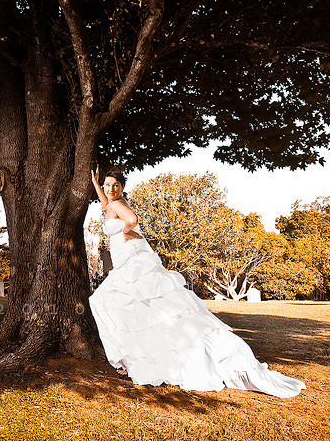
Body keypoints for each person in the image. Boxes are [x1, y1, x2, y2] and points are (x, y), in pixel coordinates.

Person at [88, 167, 305, 398]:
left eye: (115, 185)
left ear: (122, 187)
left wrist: (126, 231)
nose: (110, 189)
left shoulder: (119, 204)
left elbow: (131, 219)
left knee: (115, 301)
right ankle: (140, 351)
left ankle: (143, 354)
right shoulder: (112, 202)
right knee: (137, 305)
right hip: (129, 257)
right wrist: (96, 184)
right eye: (108, 184)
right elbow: (106, 204)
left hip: (132, 258)